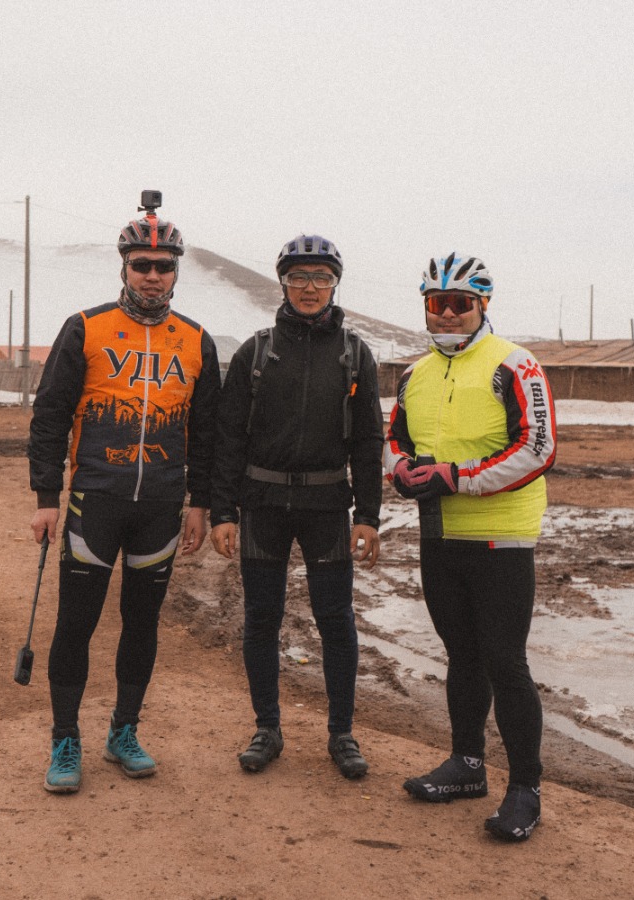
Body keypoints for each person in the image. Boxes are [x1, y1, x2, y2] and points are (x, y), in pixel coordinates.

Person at [27, 196, 219, 794]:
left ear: (176, 271)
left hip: (160, 505)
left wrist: (201, 502)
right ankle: (65, 739)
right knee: (76, 622)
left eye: (163, 266)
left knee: (142, 623)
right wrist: (46, 497)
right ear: (124, 267)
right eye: (142, 265)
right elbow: (50, 415)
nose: (152, 276)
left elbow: (208, 432)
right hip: (96, 499)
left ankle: (124, 731)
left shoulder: (198, 340)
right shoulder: (85, 327)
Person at [384, 253, 556, 841]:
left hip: (501, 535)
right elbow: (395, 438)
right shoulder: (415, 373)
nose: (448, 313)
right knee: (461, 654)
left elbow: (538, 448)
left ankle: (526, 789)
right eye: (438, 303)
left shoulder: (515, 364)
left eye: (461, 303)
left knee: (506, 662)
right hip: (440, 534)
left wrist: (457, 478)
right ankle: (467, 764)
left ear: (483, 306)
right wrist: (400, 469)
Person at [210, 234, 383, 780]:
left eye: (321, 278)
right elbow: (228, 437)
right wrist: (222, 512)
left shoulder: (355, 354)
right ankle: (267, 729)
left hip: (327, 507)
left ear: (335, 284)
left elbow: (369, 442)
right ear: (283, 284)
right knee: (261, 619)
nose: (310, 288)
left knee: (336, 621)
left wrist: (369, 515)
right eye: (299, 278)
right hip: (262, 504)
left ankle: (342, 734)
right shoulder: (256, 352)